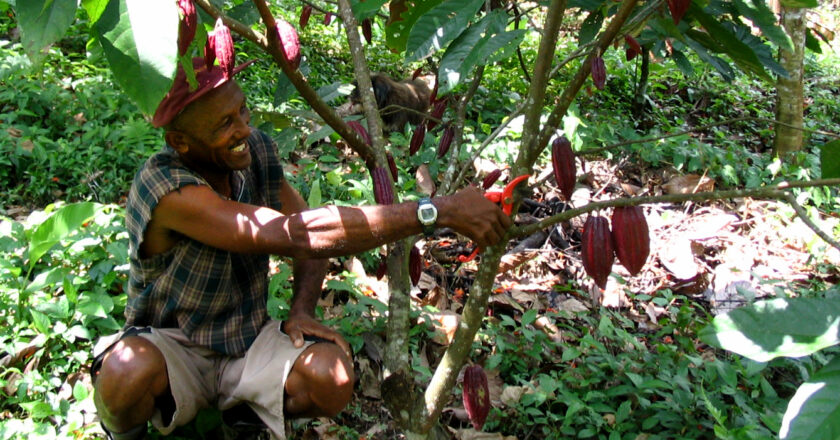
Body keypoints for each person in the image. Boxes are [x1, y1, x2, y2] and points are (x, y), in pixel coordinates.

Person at [90, 57, 512, 440]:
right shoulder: (165, 188)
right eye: (223, 125)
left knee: (332, 379)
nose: (244, 129)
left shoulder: (252, 152)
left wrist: (302, 310)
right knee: (126, 372)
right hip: (173, 345)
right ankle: (126, 434)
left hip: (244, 341)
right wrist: (436, 210)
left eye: (242, 111)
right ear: (181, 141)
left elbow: (308, 236)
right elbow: (295, 234)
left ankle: (245, 418)